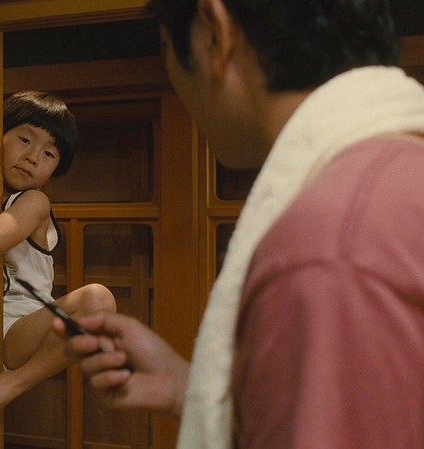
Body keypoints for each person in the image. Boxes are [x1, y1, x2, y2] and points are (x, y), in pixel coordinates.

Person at [56, 1, 424, 448]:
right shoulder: (397, 174)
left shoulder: (329, 247)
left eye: (166, 47)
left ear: (214, 32)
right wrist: (193, 389)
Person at [0, 91, 116, 429]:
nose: (32, 157)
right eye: (24, 140)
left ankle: (13, 383)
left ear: (56, 169)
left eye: (48, 153)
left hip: (19, 330)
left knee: (98, 300)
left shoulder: (34, 201)